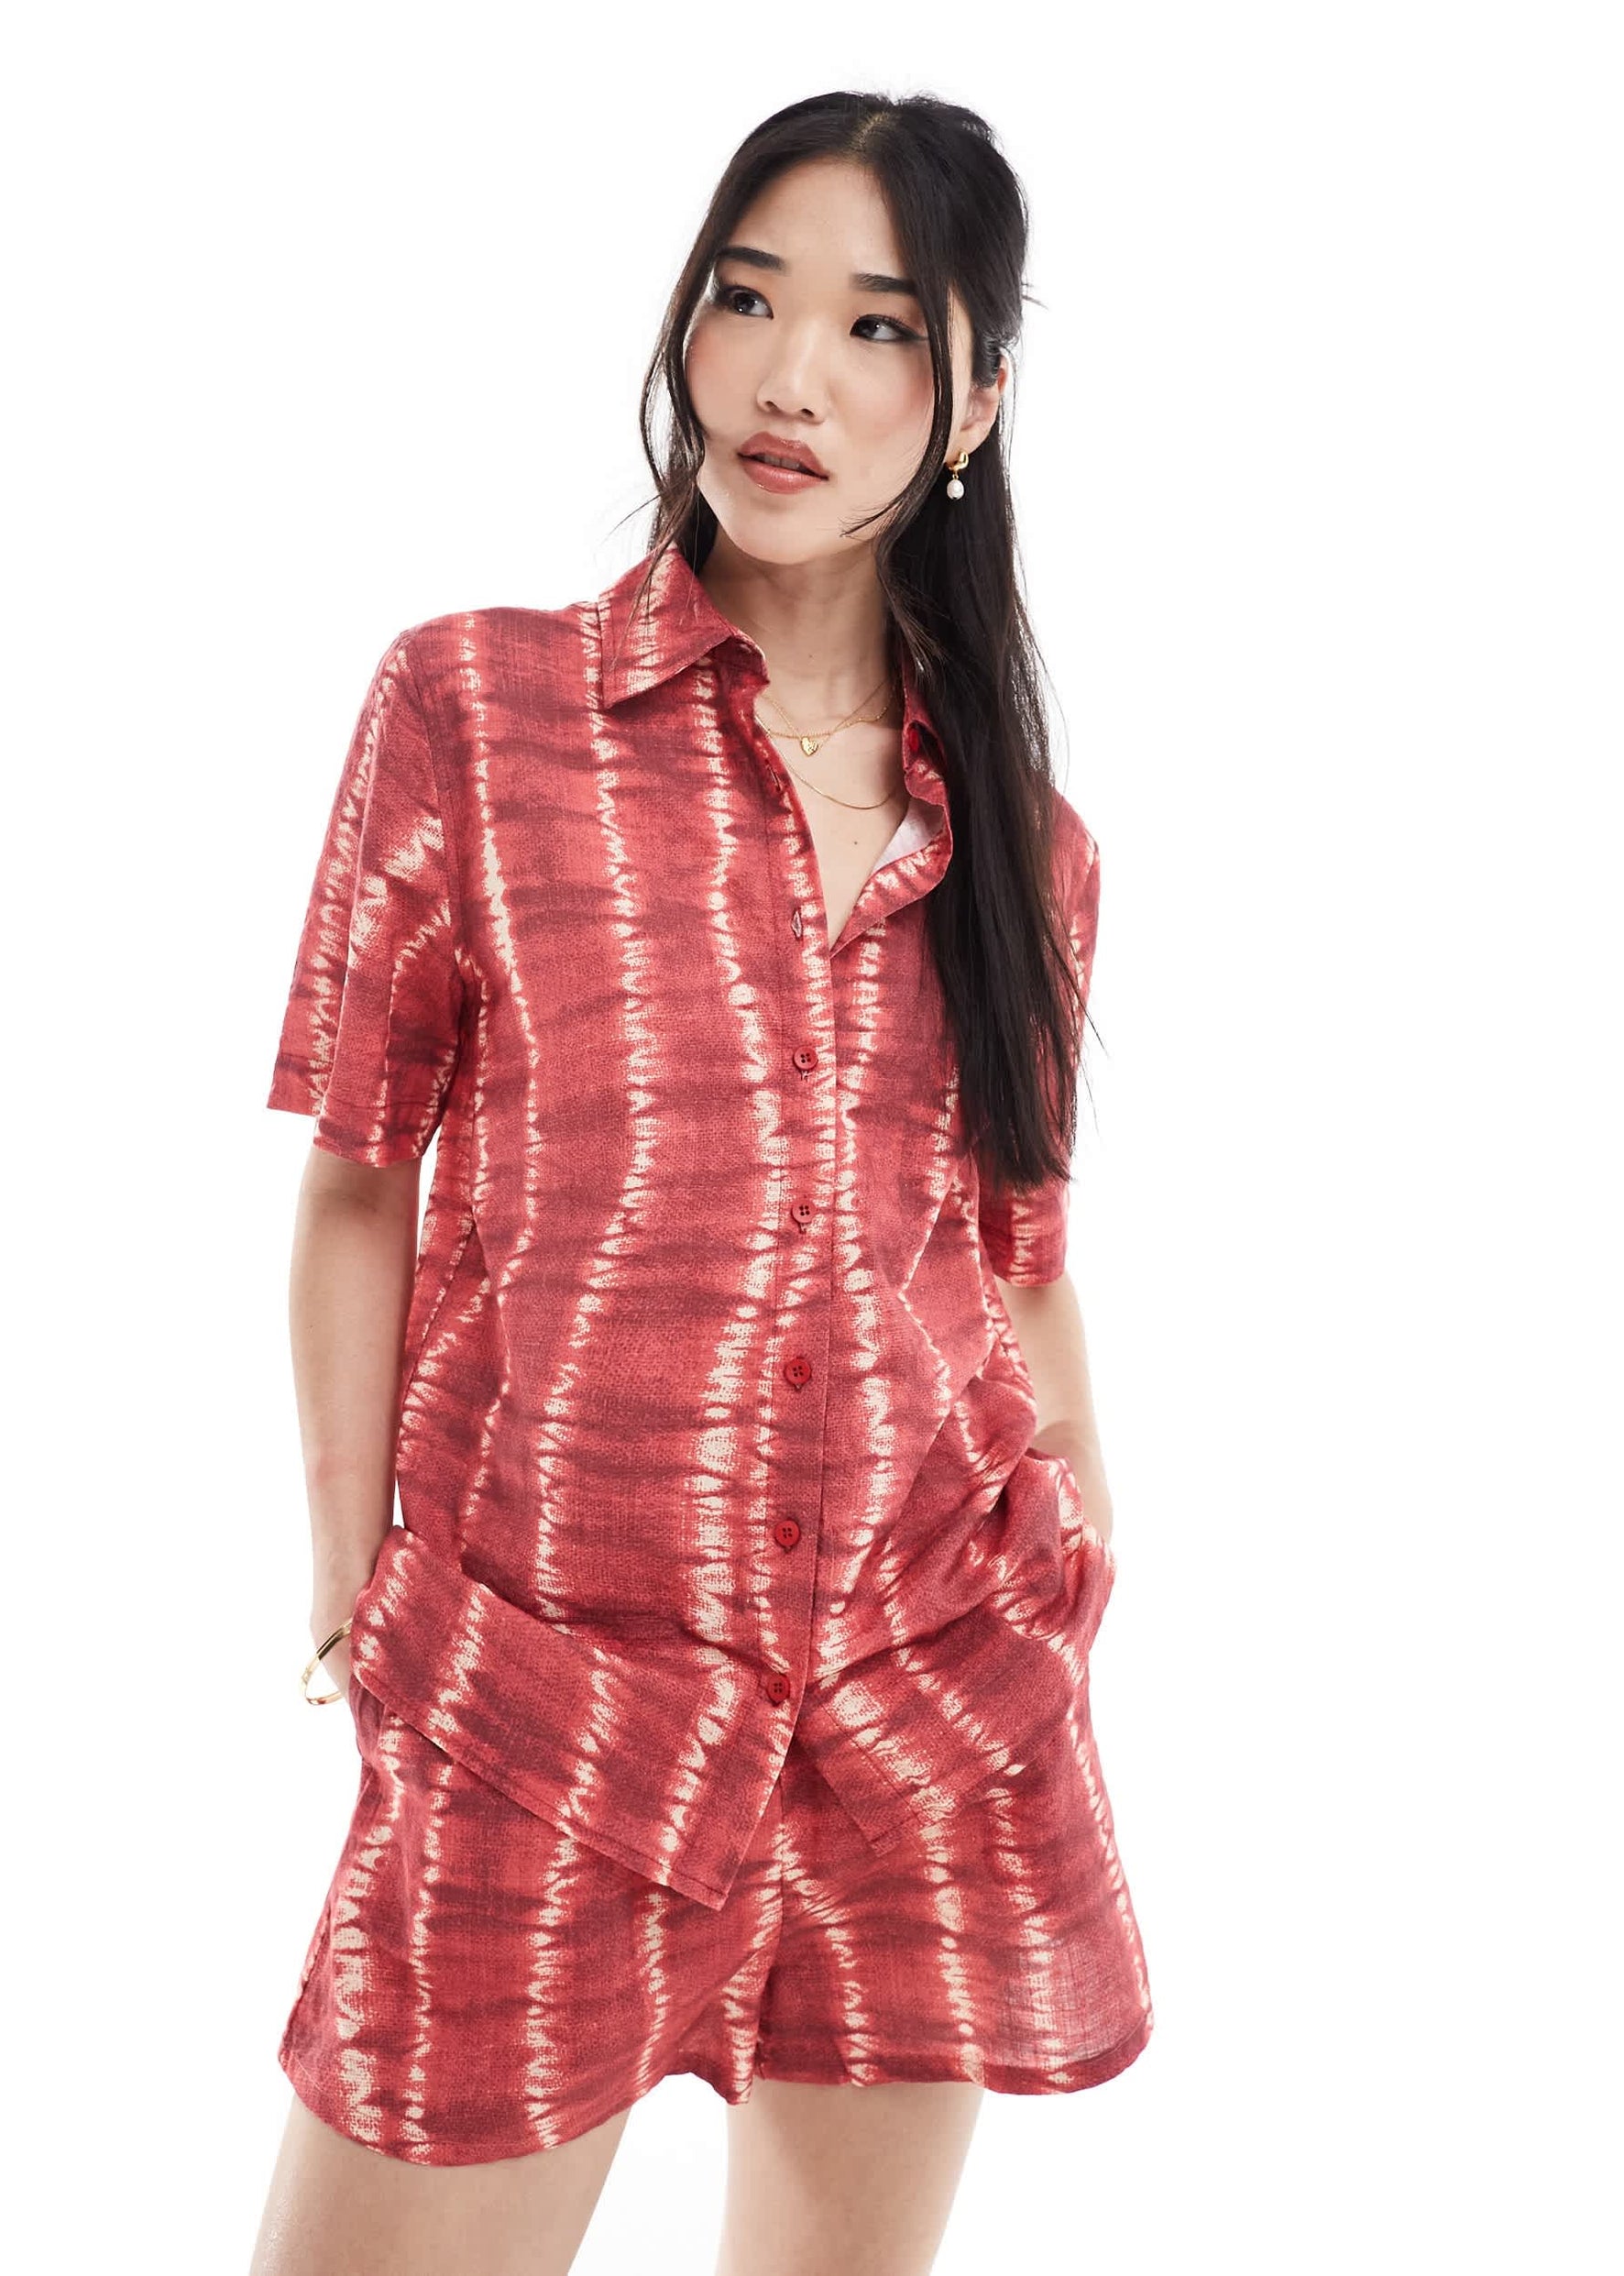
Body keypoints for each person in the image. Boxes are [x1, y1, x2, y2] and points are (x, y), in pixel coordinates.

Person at [248, 89, 1153, 2276]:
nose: (788, 376)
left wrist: (1077, 1555)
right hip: (545, 1702)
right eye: (745, 300)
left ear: (976, 403)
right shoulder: (478, 713)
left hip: (922, 1700)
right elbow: (361, 1176)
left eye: (877, 326)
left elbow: (1015, 1253)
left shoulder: (1026, 849)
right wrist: (359, 1587)